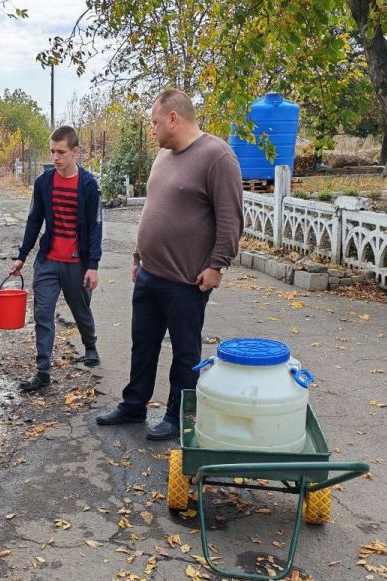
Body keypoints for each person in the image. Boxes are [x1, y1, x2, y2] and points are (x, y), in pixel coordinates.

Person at [96, 88, 243, 440]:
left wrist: (217, 266)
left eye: (155, 121)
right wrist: (137, 257)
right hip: (149, 273)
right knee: (142, 343)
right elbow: (152, 211)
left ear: (173, 118)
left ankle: (179, 415)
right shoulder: (163, 156)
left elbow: (231, 218)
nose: (153, 129)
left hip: (187, 281)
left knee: (184, 350)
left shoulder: (217, 156)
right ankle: (134, 405)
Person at [11, 126, 103, 391]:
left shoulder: (88, 184)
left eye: (61, 152)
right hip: (48, 260)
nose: (55, 157)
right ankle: (42, 371)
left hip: (77, 262)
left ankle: (90, 345)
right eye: (52, 151)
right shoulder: (44, 183)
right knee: (42, 313)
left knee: (80, 309)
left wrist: (93, 266)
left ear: (76, 152)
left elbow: (95, 227)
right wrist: (22, 256)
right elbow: (33, 220)